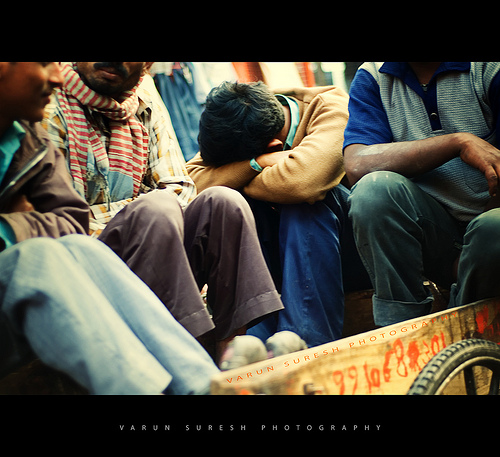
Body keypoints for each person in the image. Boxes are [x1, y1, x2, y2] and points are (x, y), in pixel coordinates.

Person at [0, 61, 219, 394]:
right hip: (43, 274)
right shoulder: (54, 110)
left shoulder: (28, 139)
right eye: (45, 63)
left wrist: (15, 221)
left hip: (89, 252)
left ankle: (206, 387)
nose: (56, 75)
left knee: (83, 247)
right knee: (38, 257)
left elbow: (72, 222)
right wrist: (16, 226)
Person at [42, 63, 284, 361]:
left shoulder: (144, 95)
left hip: (155, 249)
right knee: (156, 208)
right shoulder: (49, 98)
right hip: (86, 269)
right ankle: (190, 362)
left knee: (223, 202)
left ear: (147, 65)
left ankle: (232, 356)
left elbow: (180, 188)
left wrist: (141, 214)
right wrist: (139, 213)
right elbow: (61, 222)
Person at [188, 81, 371, 347]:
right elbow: (191, 185)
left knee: (303, 202)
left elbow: (302, 183)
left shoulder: (330, 107)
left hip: (350, 252)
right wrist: (256, 164)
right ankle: (259, 343)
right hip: (284, 261)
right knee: (228, 203)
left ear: (275, 145)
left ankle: (304, 341)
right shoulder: (240, 119)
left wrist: (234, 177)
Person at [343, 61, 500, 327]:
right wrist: (456, 143)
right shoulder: (373, 75)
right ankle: (403, 328)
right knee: (373, 191)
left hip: (489, 233)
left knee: (494, 227)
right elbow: (358, 164)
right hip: (430, 233)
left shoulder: (489, 68)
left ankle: (464, 325)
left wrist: (468, 256)